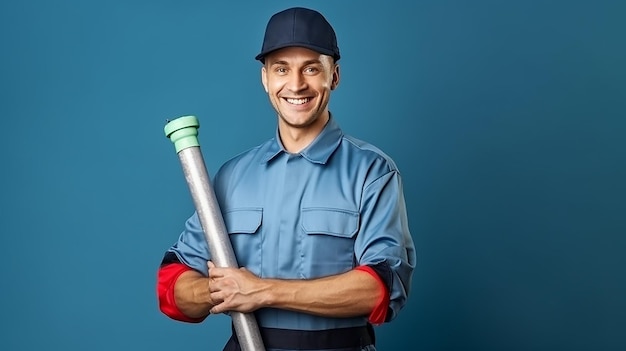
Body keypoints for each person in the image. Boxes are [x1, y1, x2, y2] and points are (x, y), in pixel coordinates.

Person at [157, 6, 416, 351]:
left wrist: (262, 291)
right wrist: (214, 291)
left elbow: (383, 288)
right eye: (281, 69)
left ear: (334, 76)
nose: (296, 85)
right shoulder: (232, 177)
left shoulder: (372, 172)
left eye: (311, 68)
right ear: (265, 79)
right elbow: (171, 286)